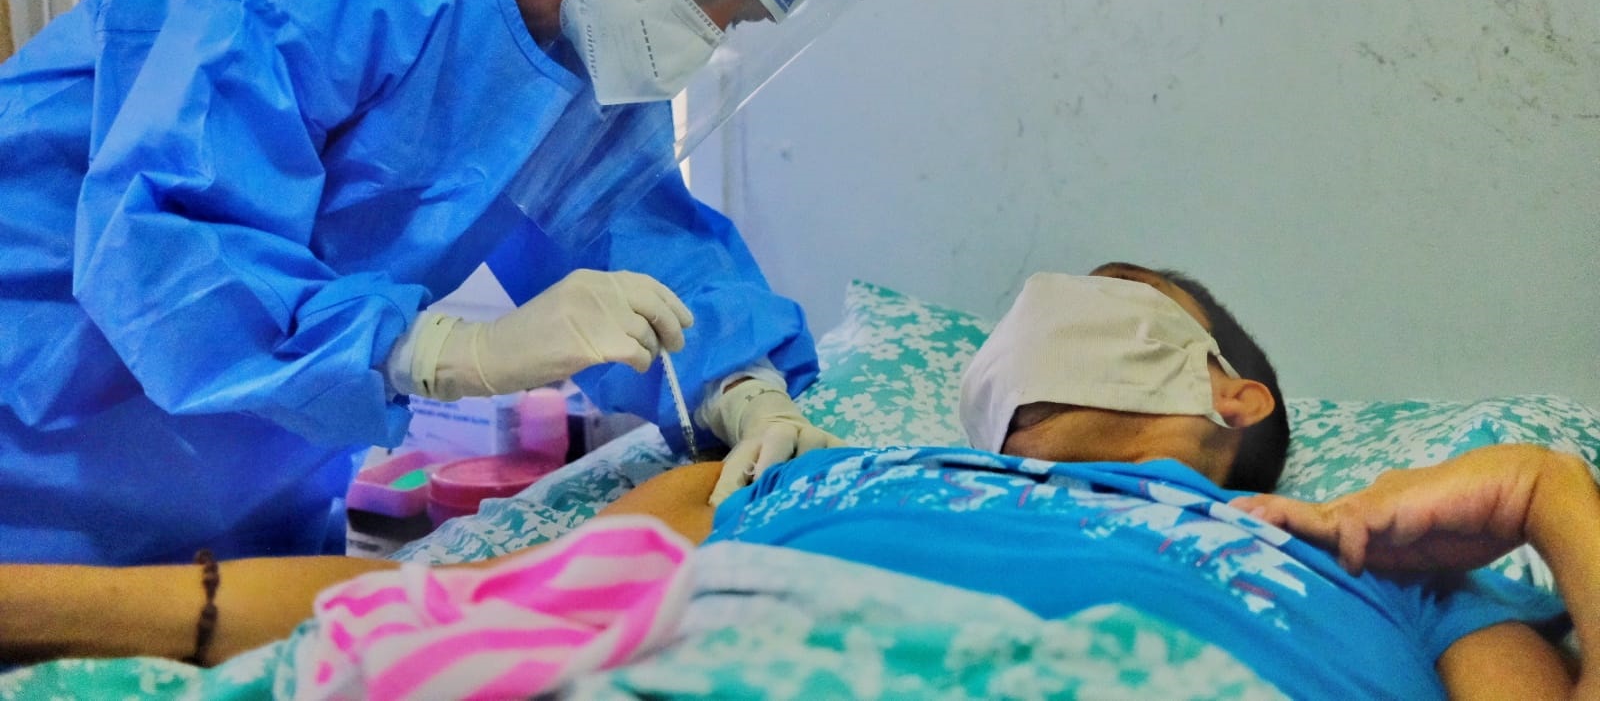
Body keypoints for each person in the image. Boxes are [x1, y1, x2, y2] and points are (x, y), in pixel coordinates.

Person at [2, 263, 1590, 700]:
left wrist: (1542, 493)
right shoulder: (816, 470)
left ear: (1231, 393)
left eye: (1112, 288)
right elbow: (472, 614)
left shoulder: (1380, 558)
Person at [0, 0, 844, 568]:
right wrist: (435, 351)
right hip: (45, 387)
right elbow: (161, 237)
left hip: (250, 470)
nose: (702, 33)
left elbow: (643, 229)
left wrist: (742, 382)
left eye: (730, 20)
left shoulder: (593, 56)